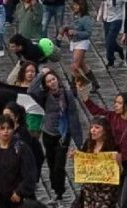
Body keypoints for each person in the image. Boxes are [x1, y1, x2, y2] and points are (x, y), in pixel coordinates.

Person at [82, 91, 127, 207]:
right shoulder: (113, 117)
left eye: (119, 103)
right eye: (115, 102)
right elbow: (97, 111)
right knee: (115, 199)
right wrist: (84, 96)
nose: (115, 105)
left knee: (126, 202)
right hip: (113, 165)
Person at [28, 67, 83, 204]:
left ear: (57, 80)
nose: (52, 82)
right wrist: (41, 74)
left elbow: (73, 115)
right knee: (52, 164)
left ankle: (59, 191)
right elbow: (30, 90)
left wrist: (78, 139)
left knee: (59, 164)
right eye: (49, 81)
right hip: (48, 133)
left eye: (53, 79)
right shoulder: (44, 95)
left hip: (63, 134)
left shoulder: (67, 94)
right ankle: (56, 189)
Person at [0, 115, 38, 208]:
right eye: (2, 128)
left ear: (13, 130)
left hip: (14, 196)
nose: (5, 131)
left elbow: (30, 174)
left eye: (9, 128)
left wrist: (20, 191)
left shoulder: (21, 148)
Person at [75, 116, 122, 208]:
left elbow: (120, 171)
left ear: (105, 131)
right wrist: (75, 157)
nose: (93, 130)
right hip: (90, 188)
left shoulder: (113, 146)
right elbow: (82, 165)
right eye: (92, 127)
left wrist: (118, 161)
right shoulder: (88, 143)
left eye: (97, 127)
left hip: (106, 190)